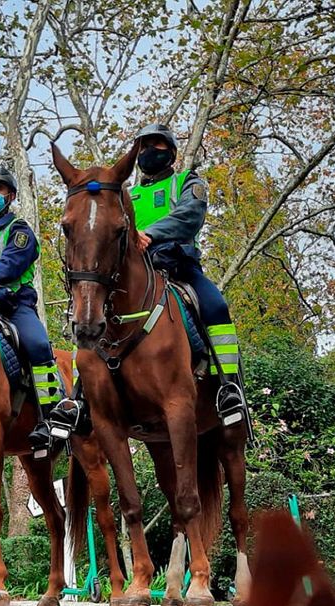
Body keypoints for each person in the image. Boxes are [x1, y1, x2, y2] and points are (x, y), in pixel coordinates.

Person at [130, 123, 247, 427]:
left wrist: (150, 234)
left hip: (178, 268)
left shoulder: (187, 182)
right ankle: (79, 397)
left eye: (154, 145)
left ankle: (228, 385)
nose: (146, 152)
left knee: (216, 308)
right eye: (142, 146)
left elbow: (189, 217)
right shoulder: (126, 196)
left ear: (170, 152)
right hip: (135, 274)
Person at [0, 165, 81, 453]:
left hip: (15, 306)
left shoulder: (19, 231)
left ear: (11, 195)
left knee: (38, 344)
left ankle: (53, 413)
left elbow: (10, 266)